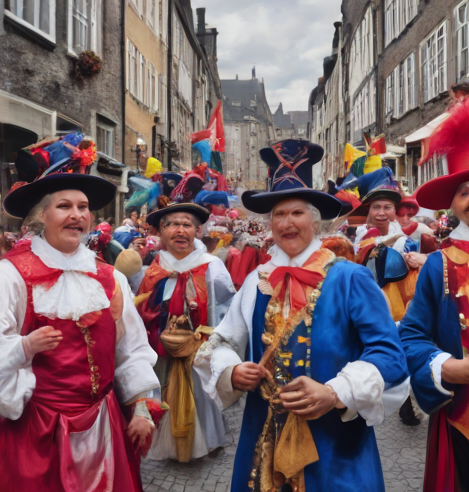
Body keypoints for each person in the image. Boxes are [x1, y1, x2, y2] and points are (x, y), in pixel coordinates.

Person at [195, 140, 410, 492]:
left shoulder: (349, 278)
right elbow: (222, 341)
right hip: (263, 439)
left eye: (297, 213)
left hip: (335, 444)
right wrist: (231, 369)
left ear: (315, 220)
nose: (287, 222)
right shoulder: (256, 281)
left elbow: (389, 355)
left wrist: (334, 391)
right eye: (279, 214)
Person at [0, 172, 161, 492]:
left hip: (104, 425)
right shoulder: (12, 274)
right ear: (41, 217)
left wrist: (142, 407)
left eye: (84, 207)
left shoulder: (108, 277)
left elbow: (132, 349)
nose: (78, 214)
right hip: (38, 431)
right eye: (64, 206)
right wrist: (24, 347)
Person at [399, 96, 469, 492]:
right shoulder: (438, 264)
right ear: (454, 208)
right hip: (464, 419)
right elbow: (411, 337)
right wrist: (454, 369)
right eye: (464, 193)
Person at [136, 202, 236, 462]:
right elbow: (142, 305)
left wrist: (214, 341)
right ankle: (163, 440)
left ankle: (206, 439)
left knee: (200, 392)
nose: (180, 231)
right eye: (172, 224)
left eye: (186, 225)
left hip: (199, 347)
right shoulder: (154, 267)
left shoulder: (211, 266)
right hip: (162, 347)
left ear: (198, 231)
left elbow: (226, 306)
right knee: (164, 388)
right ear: (161, 231)